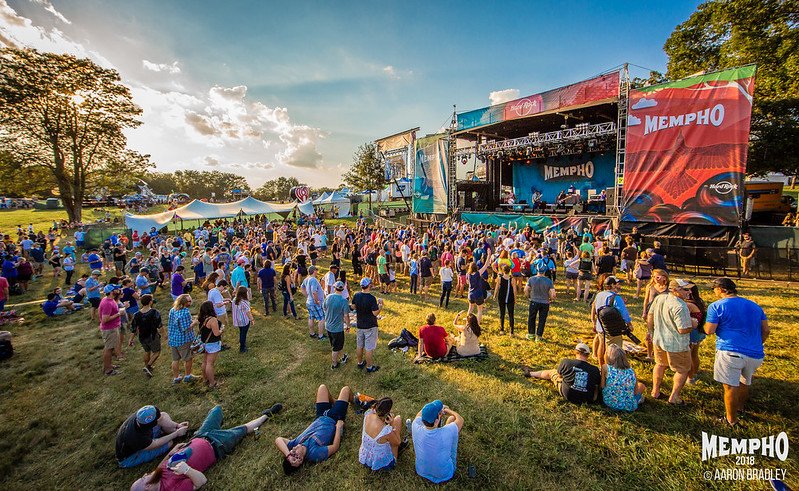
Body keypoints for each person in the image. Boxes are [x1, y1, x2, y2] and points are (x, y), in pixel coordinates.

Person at [131, 403, 283, 490]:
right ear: (148, 488)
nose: (145, 476)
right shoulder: (173, 488)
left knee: (216, 409)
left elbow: (161, 465)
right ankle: (266, 415)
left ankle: (217, 424)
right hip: (216, 445)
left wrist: (171, 452)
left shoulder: (157, 475)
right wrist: (187, 470)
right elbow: (201, 482)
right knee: (243, 429)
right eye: (143, 480)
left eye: (142, 476)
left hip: (200, 436)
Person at [704, 278, 769, 426]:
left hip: (730, 352)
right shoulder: (755, 306)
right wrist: (757, 343)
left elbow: (709, 330)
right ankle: (739, 407)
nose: (713, 292)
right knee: (745, 381)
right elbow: (766, 330)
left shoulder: (716, 306)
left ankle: (731, 420)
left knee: (730, 386)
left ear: (720, 289)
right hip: (755, 354)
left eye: (714, 289)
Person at [275, 384, 351, 474]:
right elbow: (335, 447)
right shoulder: (314, 454)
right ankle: (354, 400)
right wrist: (338, 428)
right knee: (346, 389)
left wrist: (288, 455)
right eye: (294, 453)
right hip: (334, 418)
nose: (293, 449)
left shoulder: (295, 443)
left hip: (320, 415)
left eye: (291, 451)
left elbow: (278, 439)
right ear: (300, 459)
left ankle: (335, 402)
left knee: (322, 388)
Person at [647, 279, 694, 405]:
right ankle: (674, 397)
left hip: (659, 339)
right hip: (677, 344)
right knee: (682, 370)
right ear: (675, 290)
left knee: (660, 364)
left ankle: (655, 391)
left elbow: (650, 316)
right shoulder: (680, 306)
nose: (689, 292)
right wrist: (693, 324)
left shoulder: (660, 298)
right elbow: (683, 329)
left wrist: (651, 332)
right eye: (686, 289)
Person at [522, 342, 601, 404]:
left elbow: (559, 376)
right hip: (587, 399)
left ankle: (530, 373)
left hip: (568, 395)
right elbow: (597, 384)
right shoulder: (595, 369)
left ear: (575, 352)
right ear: (588, 355)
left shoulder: (566, 362)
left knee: (553, 372)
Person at [116, 405, 189, 468]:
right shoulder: (137, 438)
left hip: (142, 440)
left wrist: (177, 425)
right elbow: (156, 444)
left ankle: (174, 431)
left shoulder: (141, 415)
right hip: (130, 458)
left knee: (163, 415)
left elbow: (161, 418)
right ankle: (175, 433)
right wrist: (176, 434)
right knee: (169, 443)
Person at [411, 400, 463, 484]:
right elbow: (460, 419)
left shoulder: (415, 425)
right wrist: (447, 410)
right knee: (452, 419)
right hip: (445, 475)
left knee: (451, 425)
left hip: (421, 471)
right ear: (436, 421)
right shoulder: (447, 432)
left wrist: (431, 408)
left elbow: (420, 414)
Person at [591, 276, 633, 365]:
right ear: (613, 285)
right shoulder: (615, 297)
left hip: (600, 326)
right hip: (612, 328)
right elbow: (623, 312)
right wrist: (629, 324)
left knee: (602, 345)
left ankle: (601, 364)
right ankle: (611, 366)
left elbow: (594, 308)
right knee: (612, 349)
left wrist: (593, 321)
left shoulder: (599, 294)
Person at [359, 397, 405, 471]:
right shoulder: (386, 431)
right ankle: (394, 462)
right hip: (381, 464)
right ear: (388, 413)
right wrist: (393, 424)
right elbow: (398, 442)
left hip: (365, 458)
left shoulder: (368, 415)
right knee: (398, 419)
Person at [601, 344, 646, 412]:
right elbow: (635, 392)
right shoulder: (631, 371)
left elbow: (602, 386)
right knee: (641, 386)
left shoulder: (605, 367)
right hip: (630, 406)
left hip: (609, 403)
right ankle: (638, 400)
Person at [351, 278, 381, 373]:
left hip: (359, 324)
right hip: (370, 325)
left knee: (359, 345)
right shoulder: (371, 298)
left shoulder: (356, 295)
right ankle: (369, 367)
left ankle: (360, 363)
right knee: (369, 347)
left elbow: (353, 307)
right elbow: (375, 313)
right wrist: (380, 306)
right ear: (369, 285)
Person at [129, 294, 164, 377]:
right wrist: (165, 335)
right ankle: (148, 367)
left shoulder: (136, 314)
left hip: (142, 336)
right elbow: (160, 325)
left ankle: (148, 367)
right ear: (150, 302)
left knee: (147, 351)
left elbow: (133, 328)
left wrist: (130, 339)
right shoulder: (155, 312)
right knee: (156, 352)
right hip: (152, 335)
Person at [167, 294, 197, 385]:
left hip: (173, 338)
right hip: (184, 340)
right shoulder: (185, 312)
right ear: (184, 302)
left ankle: (176, 378)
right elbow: (186, 328)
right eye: (189, 301)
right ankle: (188, 376)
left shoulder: (173, 310)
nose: (190, 302)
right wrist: (195, 322)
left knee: (175, 359)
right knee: (188, 358)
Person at [99, 285, 126, 376]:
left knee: (109, 347)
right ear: (111, 292)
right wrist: (119, 313)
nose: (118, 290)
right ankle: (108, 370)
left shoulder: (109, 300)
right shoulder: (107, 303)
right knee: (109, 349)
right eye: (116, 289)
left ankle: (108, 365)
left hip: (113, 327)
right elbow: (105, 319)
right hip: (110, 329)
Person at [323, 281, 351, 369]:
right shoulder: (343, 301)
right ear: (343, 289)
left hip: (328, 326)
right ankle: (334, 364)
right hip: (337, 328)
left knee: (336, 344)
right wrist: (348, 325)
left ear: (334, 288)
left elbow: (324, 307)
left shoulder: (328, 297)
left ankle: (343, 356)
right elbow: (346, 315)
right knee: (336, 347)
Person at [524, 264, 556, 341]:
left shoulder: (531, 279)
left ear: (537, 270)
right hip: (545, 302)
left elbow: (526, 289)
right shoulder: (548, 281)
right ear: (545, 271)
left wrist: (528, 297)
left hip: (534, 301)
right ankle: (539, 336)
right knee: (542, 319)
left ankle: (531, 334)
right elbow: (553, 293)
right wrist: (551, 299)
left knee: (532, 318)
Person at [684, 281, 707, 385]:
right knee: (694, 355)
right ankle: (695, 373)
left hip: (691, 332)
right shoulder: (699, 301)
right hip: (698, 332)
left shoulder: (688, 304)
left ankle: (690, 377)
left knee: (688, 356)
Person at [197, 300, 224, 388]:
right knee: (210, 363)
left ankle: (205, 379)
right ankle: (212, 383)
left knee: (205, 361)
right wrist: (222, 330)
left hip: (204, 342)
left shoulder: (201, 318)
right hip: (212, 343)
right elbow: (216, 333)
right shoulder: (212, 320)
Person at [300, 265, 326, 339]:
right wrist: (316, 300)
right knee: (322, 318)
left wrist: (307, 296)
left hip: (309, 302)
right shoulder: (313, 280)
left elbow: (302, 288)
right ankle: (320, 336)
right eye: (316, 270)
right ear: (314, 271)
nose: (317, 272)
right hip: (315, 302)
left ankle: (312, 333)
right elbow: (314, 291)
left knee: (311, 317)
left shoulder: (306, 279)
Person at [494, 264, 516, 335]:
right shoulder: (512, 279)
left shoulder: (500, 278)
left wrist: (494, 295)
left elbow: (497, 288)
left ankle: (502, 330)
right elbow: (514, 290)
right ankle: (511, 332)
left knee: (502, 313)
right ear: (509, 271)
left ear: (503, 271)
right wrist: (515, 298)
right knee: (511, 314)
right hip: (510, 297)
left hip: (501, 297)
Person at [231, 286, 253, 353]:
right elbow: (248, 312)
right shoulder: (244, 302)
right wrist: (252, 319)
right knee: (244, 333)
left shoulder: (234, 300)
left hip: (237, 320)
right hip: (244, 320)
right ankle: (242, 348)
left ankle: (242, 343)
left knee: (241, 332)